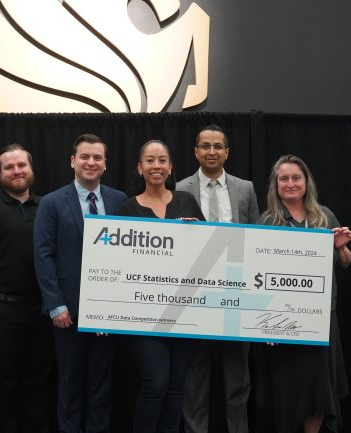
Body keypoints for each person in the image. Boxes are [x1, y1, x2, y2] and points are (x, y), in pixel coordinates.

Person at [33, 133, 127, 433]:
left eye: (97, 157)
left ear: (105, 164)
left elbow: (131, 254)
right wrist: (55, 305)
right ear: (73, 161)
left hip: (107, 313)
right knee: (70, 385)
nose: (91, 162)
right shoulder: (51, 203)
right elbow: (43, 256)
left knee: (102, 386)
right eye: (85, 157)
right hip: (67, 313)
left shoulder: (118, 200)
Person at [255, 154, 351, 433]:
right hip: (282, 323)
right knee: (289, 391)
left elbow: (345, 264)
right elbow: (257, 276)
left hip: (320, 318)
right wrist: (267, 325)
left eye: (296, 177)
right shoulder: (267, 222)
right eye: (284, 178)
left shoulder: (324, 216)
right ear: (276, 184)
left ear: (306, 181)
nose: (290, 183)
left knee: (319, 390)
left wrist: (341, 247)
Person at [0, 144, 54, 433]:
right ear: (0, 173)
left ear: (31, 169)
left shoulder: (47, 206)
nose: (16, 171)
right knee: (0, 387)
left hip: (42, 311)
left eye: (21, 165)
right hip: (1, 311)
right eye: (9, 167)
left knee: (38, 386)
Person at [117, 139, 204, 433]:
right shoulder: (125, 210)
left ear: (171, 167)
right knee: (156, 382)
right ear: (140, 168)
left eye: (162, 160)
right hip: (142, 316)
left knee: (177, 385)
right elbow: (114, 266)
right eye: (150, 161)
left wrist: (197, 234)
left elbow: (208, 255)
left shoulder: (188, 202)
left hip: (184, 313)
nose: (157, 166)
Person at [176, 124, 258, 433]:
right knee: (195, 378)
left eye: (218, 146)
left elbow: (254, 239)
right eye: (205, 146)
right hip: (194, 296)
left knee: (238, 378)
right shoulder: (181, 188)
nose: (212, 151)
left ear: (227, 152)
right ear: (196, 151)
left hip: (235, 294)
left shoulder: (246, 188)